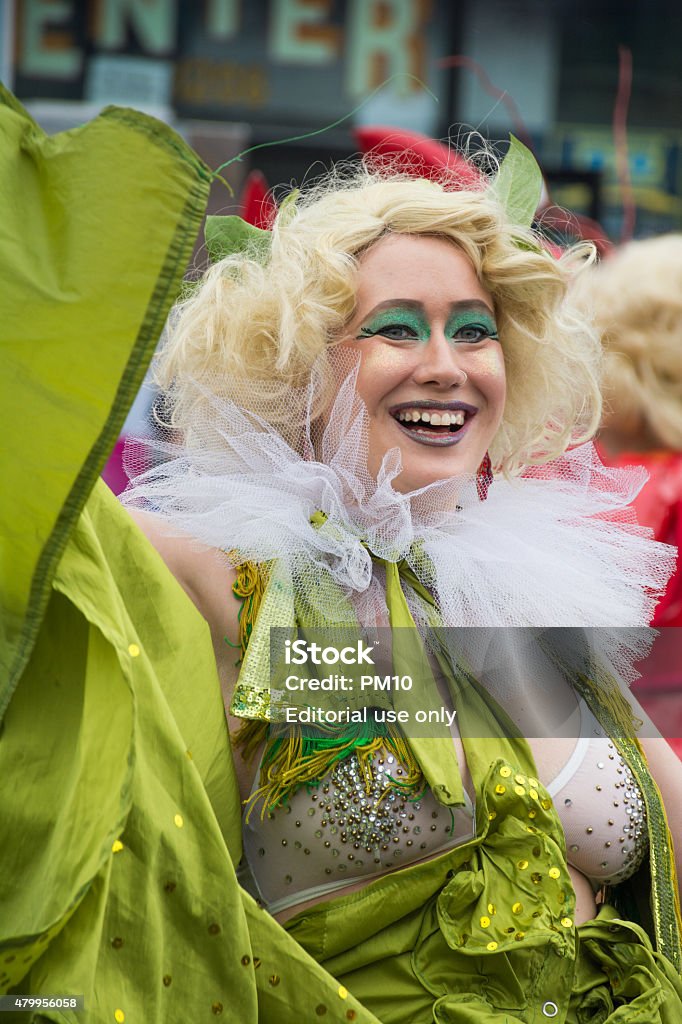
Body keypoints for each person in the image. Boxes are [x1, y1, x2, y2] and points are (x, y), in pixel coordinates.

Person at [2, 87, 682, 1023]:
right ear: (297, 360)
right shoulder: (226, 572)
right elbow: (33, 513)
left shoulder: (519, 584)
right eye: (397, 329)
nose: (447, 363)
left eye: (474, 330)